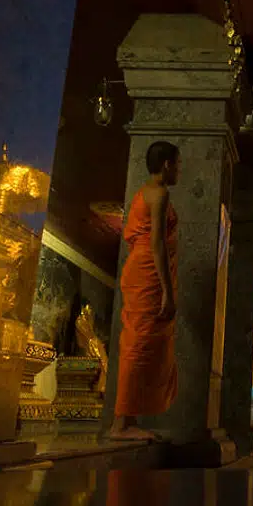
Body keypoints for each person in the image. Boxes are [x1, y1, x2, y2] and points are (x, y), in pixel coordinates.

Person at [109, 141, 180, 440]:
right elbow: (156, 245)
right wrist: (167, 290)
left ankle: (129, 419)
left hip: (139, 269)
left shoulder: (142, 193)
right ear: (166, 164)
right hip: (148, 273)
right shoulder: (159, 194)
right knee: (138, 346)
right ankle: (119, 425)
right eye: (177, 163)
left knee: (140, 342)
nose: (179, 170)